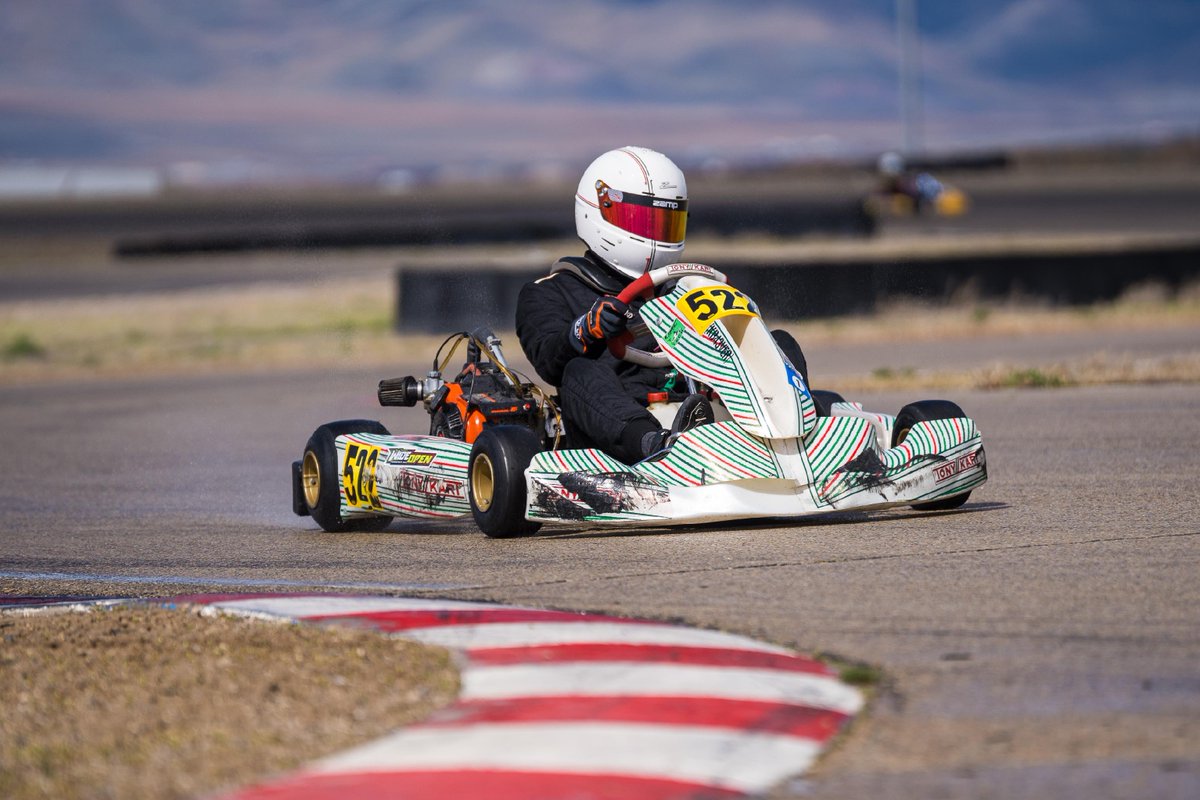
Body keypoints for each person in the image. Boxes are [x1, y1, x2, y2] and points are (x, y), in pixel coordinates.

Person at [516, 146, 808, 464]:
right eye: (643, 221)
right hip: (616, 428)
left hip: (694, 400)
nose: (655, 236)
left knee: (780, 342)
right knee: (577, 371)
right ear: (600, 210)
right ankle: (658, 448)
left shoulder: (684, 287)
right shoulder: (549, 291)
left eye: (665, 222)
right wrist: (585, 329)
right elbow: (548, 361)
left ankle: (798, 429)